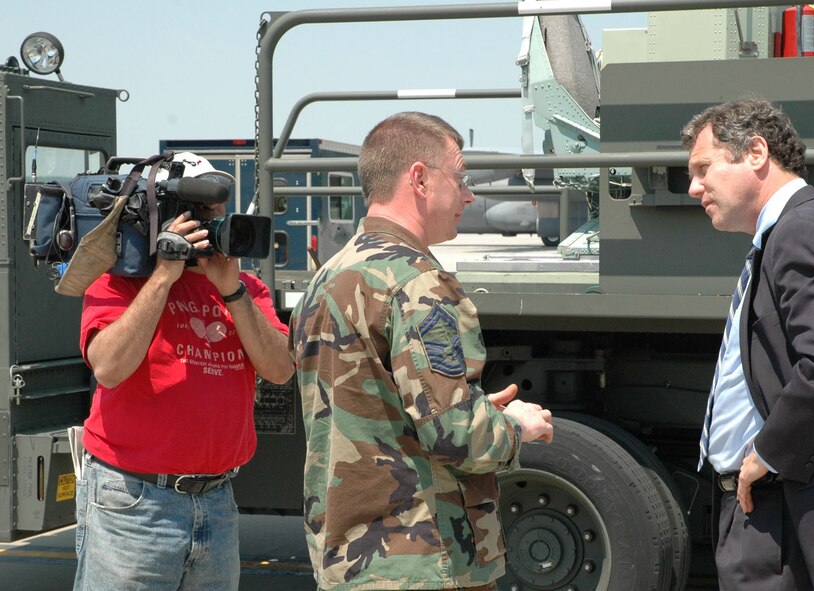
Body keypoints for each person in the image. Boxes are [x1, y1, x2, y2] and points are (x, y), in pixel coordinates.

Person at [289, 112, 554, 591]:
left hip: (349, 559)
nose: (469, 195)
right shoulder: (418, 283)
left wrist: (468, 408)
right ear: (419, 178)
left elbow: (368, 405)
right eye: (461, 178)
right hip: (424, 560)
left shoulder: (328, 275)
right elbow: (455, 435)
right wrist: (518, 426)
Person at [683, 98, 814, 590]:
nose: (694, 188)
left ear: (756, 152)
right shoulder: (801, 227)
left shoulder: (801, 230)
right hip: (783, 502)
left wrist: (767, 454)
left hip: (784, 506)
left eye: (703, 168)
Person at [73, 152, 294, 591]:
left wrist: (230, 289)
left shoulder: (245, 288)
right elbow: (109, 368)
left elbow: (281, 368)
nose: (215, 224)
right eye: (203, 214)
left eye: (218, 213)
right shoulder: (118, 279)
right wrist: (163, 276)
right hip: (134, 502)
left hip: (216, 501)